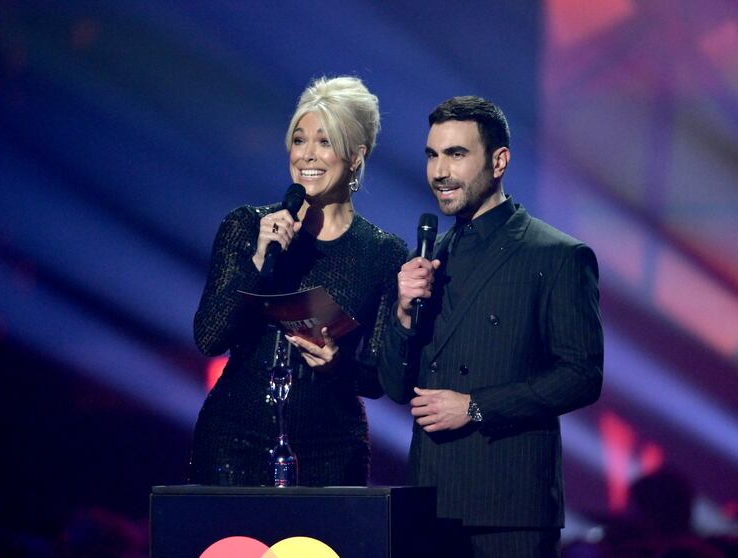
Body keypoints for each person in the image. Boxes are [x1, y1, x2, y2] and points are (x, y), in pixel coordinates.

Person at [379, 96, 604, 557]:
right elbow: (395, 387)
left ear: (499, 161)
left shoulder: (555, 255)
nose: (439, 171)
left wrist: (476, 406)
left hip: (509, 507)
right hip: (429, 501)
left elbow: (581, 375)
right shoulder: (426, 260)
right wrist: (402, 315)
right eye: (432, 155)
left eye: (456, 154)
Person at [189, 76, 407, 487]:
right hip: (233, 441)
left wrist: (338, 363)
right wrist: (257, 258)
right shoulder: (246, 226)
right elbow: (208, 338)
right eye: (299, 140)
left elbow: (382, 377)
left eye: (325, 142)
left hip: (330, 447)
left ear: (356, 156)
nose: (307, 155)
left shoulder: (383, 253)